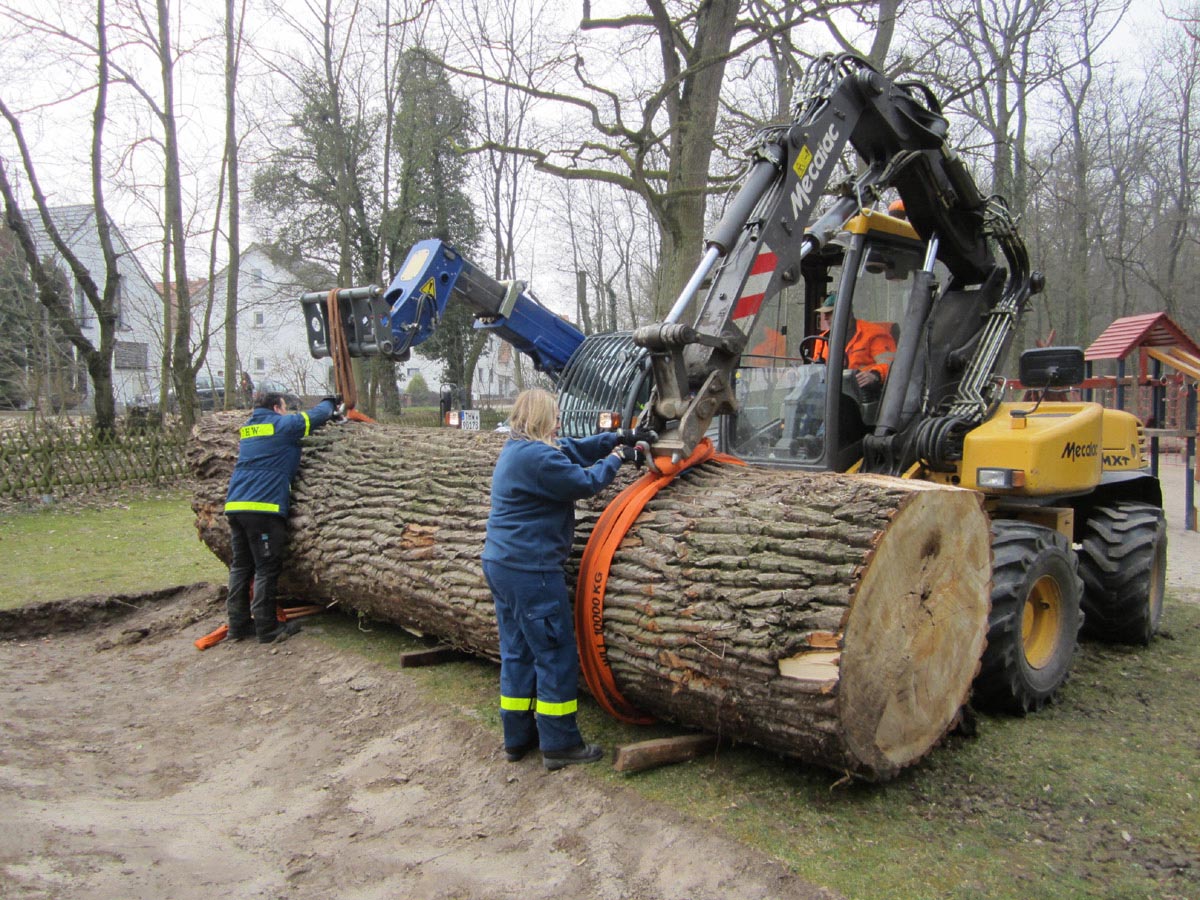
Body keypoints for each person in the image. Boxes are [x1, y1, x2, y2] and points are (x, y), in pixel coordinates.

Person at [481, 388, 643, 771]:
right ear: (540, 419)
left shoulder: (520, 450)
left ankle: (517, 740)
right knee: (554, 654)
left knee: (517, 652)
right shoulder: (538, 459)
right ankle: (560, 744)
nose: (559, 422)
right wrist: (620, 457)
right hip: (530, 571)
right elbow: (584, 482)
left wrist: (617, 438)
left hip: (502, 565)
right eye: (554, 416)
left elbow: (571, 448)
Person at [224, 390, 343, 644]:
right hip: (263, 508)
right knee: (266, 568)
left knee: (241, 567)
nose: (287, 411)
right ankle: (267, 629)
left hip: (235, 505)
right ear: (277, 408)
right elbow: (316, 416)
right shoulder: (282, 425)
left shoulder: (248, 429)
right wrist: (331, 401)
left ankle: (237, 625)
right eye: (285, 407)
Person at [812, 293, 896, 393]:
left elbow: (890, 363)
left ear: (846, 312)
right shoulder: (821, 340)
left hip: (865, 391)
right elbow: (816, 369)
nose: (825, 317)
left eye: (830, 313)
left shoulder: (873, 334)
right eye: (824, 313)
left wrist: (875, 375)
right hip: (831, 392)